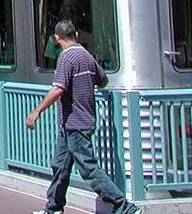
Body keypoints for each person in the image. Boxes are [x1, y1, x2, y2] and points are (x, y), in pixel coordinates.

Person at [25, 20, 139, 214]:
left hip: (75, 122)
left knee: (88, 167)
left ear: (56, 38)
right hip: (75, 121)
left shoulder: (65, 58)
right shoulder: (86, 55)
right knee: (60, 166)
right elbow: (102, 80)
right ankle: (53, 207)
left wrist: (37, 111)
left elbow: (58, 88)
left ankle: (123, 205)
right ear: (76, 35)